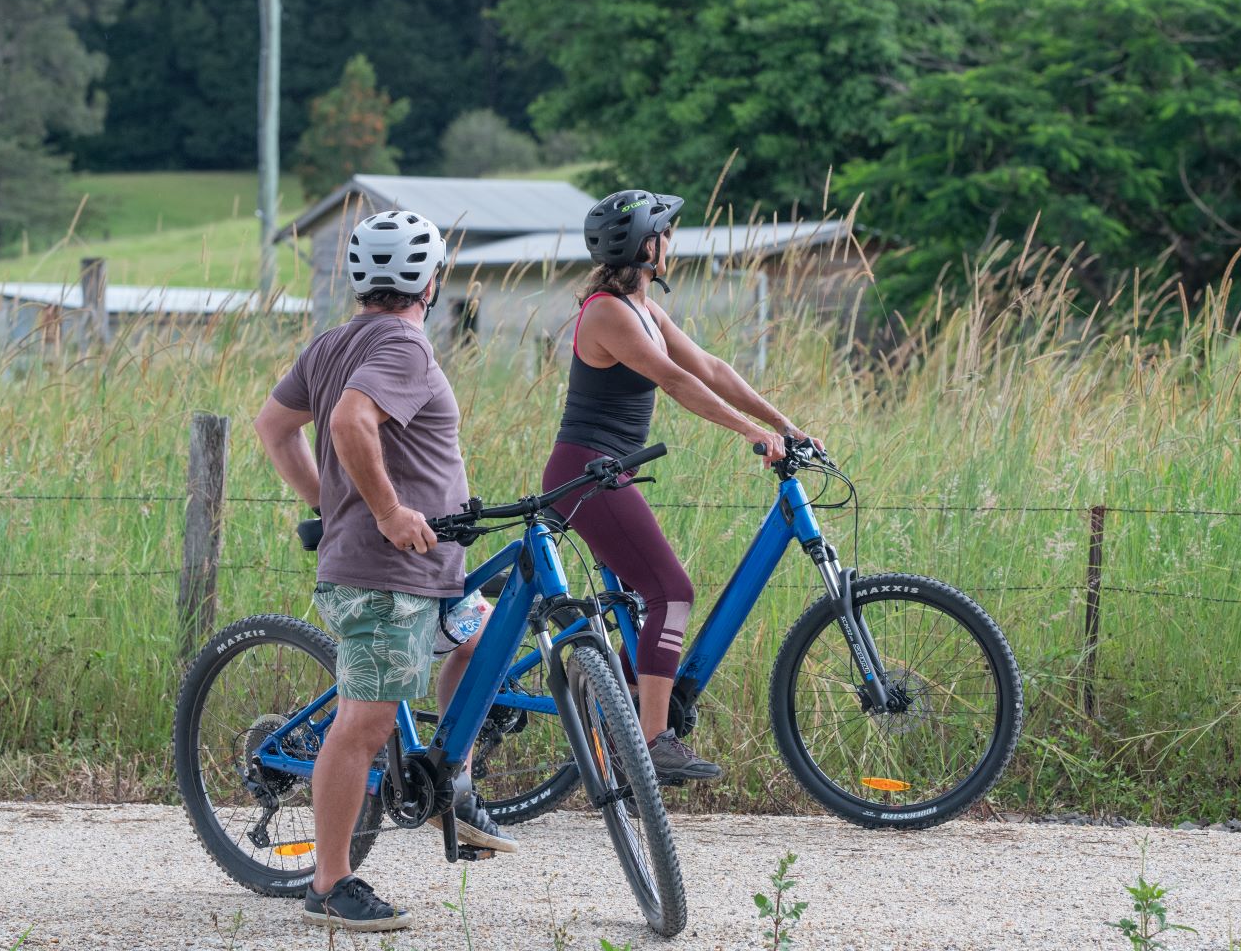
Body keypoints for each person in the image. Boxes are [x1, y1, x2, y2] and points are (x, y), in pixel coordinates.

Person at [253, 209, 515, 934]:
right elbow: (347, 423)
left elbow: (273, 428)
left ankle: (451, 791)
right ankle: (330, 883)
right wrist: (388, 512)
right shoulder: (403, 345)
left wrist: (329, 501)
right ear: (432, 281)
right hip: (383, 574)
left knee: (479, 640)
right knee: (364, 723)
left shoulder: (335, 342)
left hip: (426, 573)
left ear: (358, 278)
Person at [542, 189, 818, 781]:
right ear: (648, 245)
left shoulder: (644, 309)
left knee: (645, 603)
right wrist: (749, 432)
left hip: (605, 472)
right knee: (672, 590)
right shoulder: (607, 311)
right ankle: (651, 738)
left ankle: (612, 710)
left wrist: (782, 424)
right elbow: (670, 378)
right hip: (586, 474)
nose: (672, 244)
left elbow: (710, 368)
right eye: (666, 234)